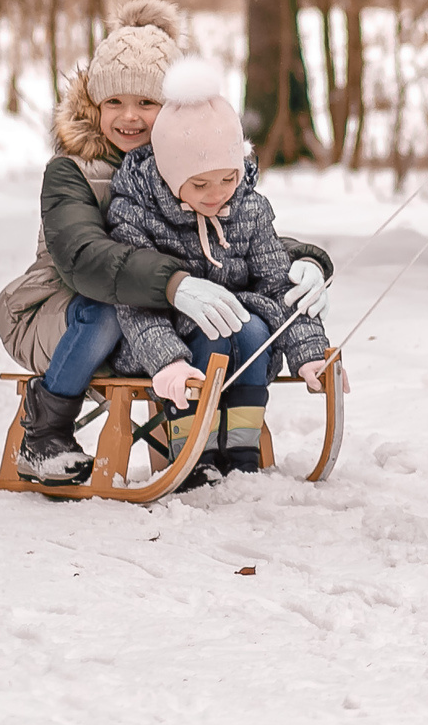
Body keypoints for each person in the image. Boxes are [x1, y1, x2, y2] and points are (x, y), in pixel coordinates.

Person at [0, 0, 333, 485]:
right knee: (108, 307)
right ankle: (46, 433)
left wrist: (306, 261)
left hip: (151, 314)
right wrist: (175, 285)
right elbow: (86, 258)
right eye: (114, 103)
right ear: (94, 104)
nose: (129, 117)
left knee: (226, 319)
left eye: (146, 103)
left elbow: (233, 232)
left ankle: (219, 443)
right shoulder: (71, 172)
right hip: (58, 309)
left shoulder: (183, 166)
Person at [107, 57, 335, 487]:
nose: (216, 195)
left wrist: (308, 355)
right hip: (162, 342)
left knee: (250, 329)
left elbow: (278, 287)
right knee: (213, 331)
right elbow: (134, 302)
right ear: (172, 176)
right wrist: (168, 361)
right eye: (200, 185)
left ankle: (240, 447)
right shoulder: (136, 216)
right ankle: (193, 446)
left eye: (228, 179)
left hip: (237, 336)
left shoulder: (248, 207)